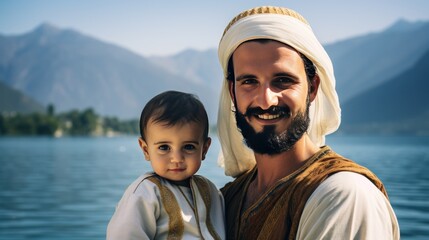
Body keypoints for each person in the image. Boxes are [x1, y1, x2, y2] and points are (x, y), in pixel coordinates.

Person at [216, 6, 400, 239]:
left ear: (312, 88)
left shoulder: (342, 196)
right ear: (233, 92)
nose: (265, 100)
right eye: (249, 81)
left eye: (282, 80)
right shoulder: (226, 199)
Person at [106, 91, 225, 239]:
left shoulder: (211, 191)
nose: (176, 158)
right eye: (164, 147)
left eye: (188, 147)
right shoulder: (145, 193)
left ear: (204, 148)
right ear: (146, 149)